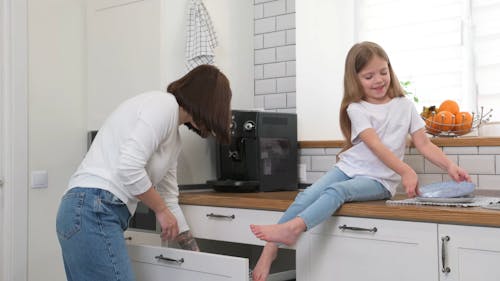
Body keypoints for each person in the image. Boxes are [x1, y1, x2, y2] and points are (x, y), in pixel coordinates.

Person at [249, 41, 471, 281]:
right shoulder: (356, 108)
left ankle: (293, 229)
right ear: (355, 80)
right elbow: (374, 145)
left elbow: (424, 143)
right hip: (348, 168)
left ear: (390, 70)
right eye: (369, 76)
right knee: (305, 196)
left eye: (383, 72)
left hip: (379, 180)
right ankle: (270, 249)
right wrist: (406, 170)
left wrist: (449, 165)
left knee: (336, 192)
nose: (379, 80)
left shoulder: (405, 106)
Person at [56, 64, 232, 281]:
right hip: (94, 208)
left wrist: (195, 255)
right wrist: (160, 210)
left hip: (88, 210)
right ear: (207, 102)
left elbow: (169, 198)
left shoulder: (174, 141)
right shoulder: (164, 105)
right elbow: (128, 167)